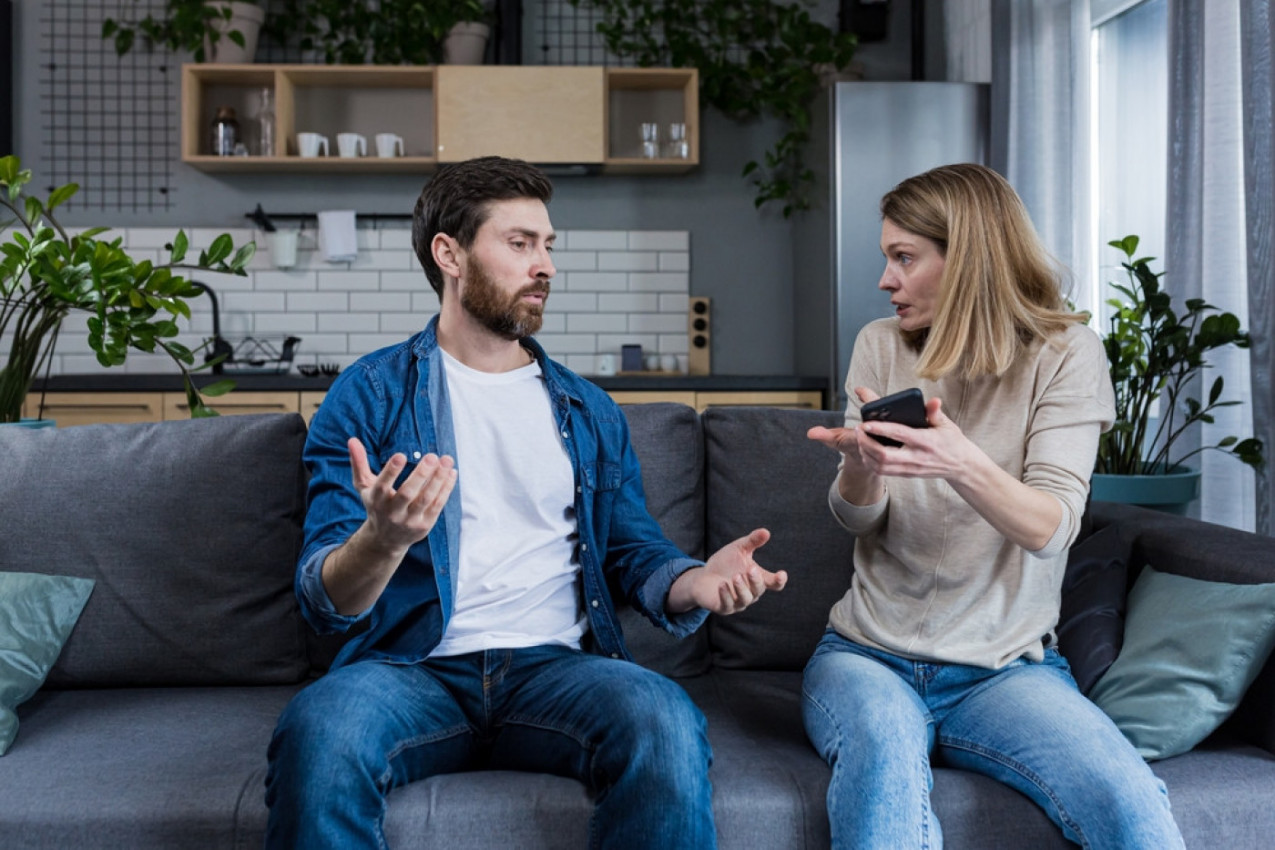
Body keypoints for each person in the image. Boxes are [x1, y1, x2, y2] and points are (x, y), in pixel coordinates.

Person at [263, 155, 787, 849]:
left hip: (557, 671)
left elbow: (632, 550)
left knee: (661, 716)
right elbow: (324, 598)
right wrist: (383, 540)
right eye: (519, 244)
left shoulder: (587, 409)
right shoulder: (369, 395)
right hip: (408, 670)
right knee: (320, 730)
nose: (545, 266)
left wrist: (696, 581)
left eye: (547, 246)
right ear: (449, 254)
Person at [802, 163, 1185, 849]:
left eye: (903, 258)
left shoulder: (1066, 354)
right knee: (885, 773)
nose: (885, 280)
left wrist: (959, 460)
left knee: (1129, 805)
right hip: (866, 656)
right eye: (886, 258)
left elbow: (1051, 528)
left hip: (1004, 670)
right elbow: (859, 518)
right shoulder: (879, 346)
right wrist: (859, 470)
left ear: (967, 258)